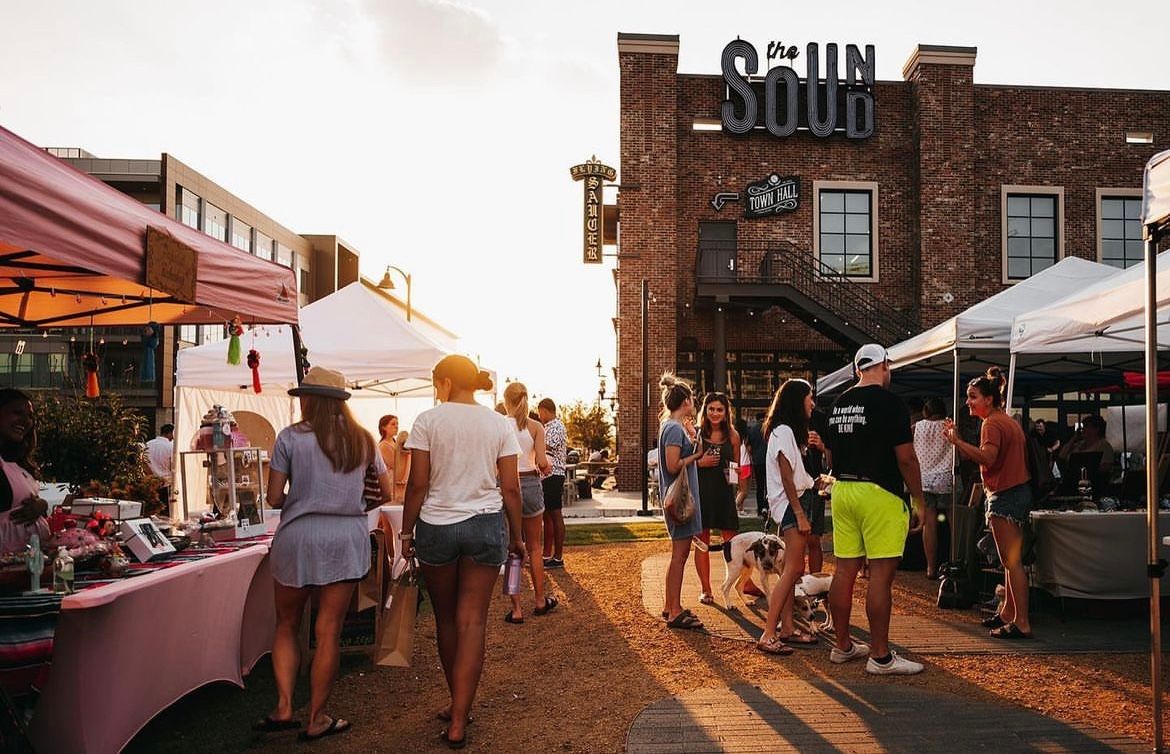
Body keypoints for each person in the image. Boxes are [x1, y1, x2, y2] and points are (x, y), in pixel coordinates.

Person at [259, 367, 392, 741]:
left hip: (298, 535)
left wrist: (303, 500)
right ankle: (317, 717)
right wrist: (348, 500)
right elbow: (384, 491)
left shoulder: (290, 438)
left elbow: (273, 498)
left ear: (310, 399)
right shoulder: (363, 440)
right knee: (329, 629)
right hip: (344, 535)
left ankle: (285, 706)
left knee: (286, 623)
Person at [400, 355, 524, 749]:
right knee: (472, 622)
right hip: (485, 525)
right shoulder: (499, 423)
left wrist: (406, 533)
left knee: (446, 621)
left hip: (436, 525)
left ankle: (458, 704)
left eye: (436, 383)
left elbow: (417, 485)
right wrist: (517, 536)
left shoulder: (427, 421)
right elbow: (511, 489)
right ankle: (458, 717)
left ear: (446, 383)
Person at [825, 344, 926, 675]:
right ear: (883, 365)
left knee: (844, 571)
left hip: (842, 489)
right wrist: (918, 499)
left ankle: (842, 646)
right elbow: (907, 457)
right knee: (881, 575)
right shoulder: (890, 403)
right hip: (879, 491)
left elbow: (831, 455)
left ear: (858, 370)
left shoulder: (838, 403)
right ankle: (880, 656)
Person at [944, 367, 1034, 640]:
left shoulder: (991, 424)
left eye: (973, 397)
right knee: (1011, 561)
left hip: (1005, 494)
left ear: (990, 399)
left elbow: (987, 458)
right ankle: (1008, 613)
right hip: (1017, 491)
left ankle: (1022, 622)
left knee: (1011, 562)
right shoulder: (1007, 420)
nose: (968, 402)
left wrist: (957, 442)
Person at [757, 379, 824, 655]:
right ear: (798, 400)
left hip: (795, 501)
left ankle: (786, 628)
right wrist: (799, 513)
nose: (813, 403)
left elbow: (794, 474)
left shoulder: (784, 432)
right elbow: (785, 475)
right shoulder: (783, 430)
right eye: (810, 397)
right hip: (790, 505)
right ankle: (768, 633)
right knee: (793, 570)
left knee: (791, 570)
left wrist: (814, 482)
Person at [502, 382, 556, 623]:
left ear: (506, 401)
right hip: (531, 484)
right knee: (535, 547)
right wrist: (547, 466)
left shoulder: (499, 426)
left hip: (506, 486)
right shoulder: (536, 427)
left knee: (513, 548)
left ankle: (516, 610)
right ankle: (540, 600)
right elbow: (543, 463)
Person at [657, 372, 706, 630]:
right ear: (686, 401)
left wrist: (692, 436)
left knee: (679, 554)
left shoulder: (672, 426)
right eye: (692, 399)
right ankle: (674, 610)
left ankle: (669, 605)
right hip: (680, 501)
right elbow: (673, 465)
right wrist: (695, 456)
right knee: (680, 555)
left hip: (678, 499)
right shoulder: (673, 428)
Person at [693, 392, 743, 605]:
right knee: (701, 543)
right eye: (711, 409)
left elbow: (736, 469)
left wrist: (732, 475)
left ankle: (739, 585)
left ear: (725, 413)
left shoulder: (733, 435)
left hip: (723, 495)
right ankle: (706, 590)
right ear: (705, 411)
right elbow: (683, 465)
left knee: (732, 542)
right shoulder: (695, 434)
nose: (715, 413)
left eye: (719, 409)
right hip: (701, 494)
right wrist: (699, 463)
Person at [0, 389, 49, 555]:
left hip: (29, 566)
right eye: (17, 412)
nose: (26, 421)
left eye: (29, 416)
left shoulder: (16, 460)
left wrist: (42, 505)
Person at [913, 398, 952, 580]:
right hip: (946, 478)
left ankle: (931, 568)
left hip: (923, 479)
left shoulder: (917, 427)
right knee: (954, 524)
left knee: (929, 524)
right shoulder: (949, 425)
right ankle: (954, 562)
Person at [538, 398, 568, 570]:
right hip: (548, 475)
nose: (540, 415)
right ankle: (548, 554)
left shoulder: (556, 427)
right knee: (548, 516)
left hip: (553, 474)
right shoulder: (549, 427)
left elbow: (547, 448)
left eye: (540, 411)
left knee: (555, 514)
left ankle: (558, 557)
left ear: (545, 410)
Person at [1058, 415, 1114, 489]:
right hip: (1073, 482)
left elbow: (1107, 466)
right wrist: (1073, 438)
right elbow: (1062, 455)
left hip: (1093, 484)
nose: (1083, 429)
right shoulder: (1079, 444)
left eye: (1086, 426)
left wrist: (1089, 469)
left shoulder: (1103, 445)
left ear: (1096, 429)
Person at [144, 423, 174, 514]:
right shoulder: (170, 446)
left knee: (152, 512)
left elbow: (143, 462)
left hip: (151, 482)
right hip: (166, 483)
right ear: (170, 433)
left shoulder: (148, 444)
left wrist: (151, 475)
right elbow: (173, 466)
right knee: (165, 513)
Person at [746, 412, 769, 519]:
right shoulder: (768, 428)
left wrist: (752, 457)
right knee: (768, 486)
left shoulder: (752, 429)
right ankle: (767, 507)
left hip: (757, 461)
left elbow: (749, 447)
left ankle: (760, 510)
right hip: (768, 460)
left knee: (759, 486)